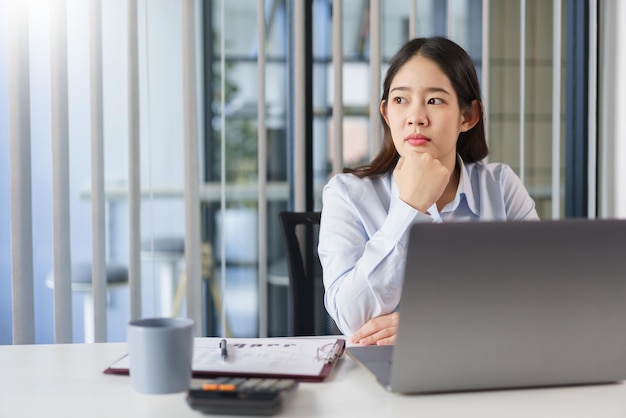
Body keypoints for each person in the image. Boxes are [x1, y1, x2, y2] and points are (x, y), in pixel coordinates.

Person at [318, 36, 539, 347]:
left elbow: (538, 302)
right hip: (378, 372)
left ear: (468, 116)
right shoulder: (346, 194)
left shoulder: (500, 187)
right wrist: (409, 208)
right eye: (400, 100)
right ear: (386, 113)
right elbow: (351, 320)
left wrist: (432, 325)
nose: (415, 117)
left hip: (484, 363)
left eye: (434, 101)